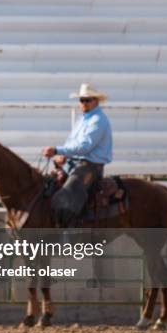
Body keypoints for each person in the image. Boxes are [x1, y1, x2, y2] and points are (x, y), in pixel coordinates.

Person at [41, 83, 112, 227]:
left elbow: (84, 147)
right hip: (76, 163)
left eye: (88, 100)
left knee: (65, 196)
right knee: (48, 187)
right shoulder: (83, 120)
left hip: (90, 167)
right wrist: (64, 156)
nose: (84, 103)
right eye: (82, 100)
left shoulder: (98, 120)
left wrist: (57, 150)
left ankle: (70, 235)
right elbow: (72, 143)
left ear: (96, 101)